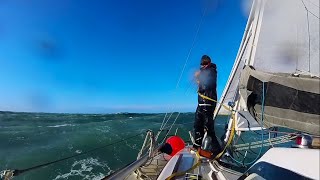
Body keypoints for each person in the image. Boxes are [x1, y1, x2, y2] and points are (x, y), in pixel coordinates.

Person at [193, 55, 221, 157]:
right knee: (197, 124)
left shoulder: (212, 71)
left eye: (204, 64)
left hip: (208, 102)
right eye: (202, 64)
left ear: (208, 63)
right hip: (201, 102)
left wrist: (199, 75)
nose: (202, 66)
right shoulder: (204, 71)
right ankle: (197, 146)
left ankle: (216, 150)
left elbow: (208, 82)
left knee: (209, 127)